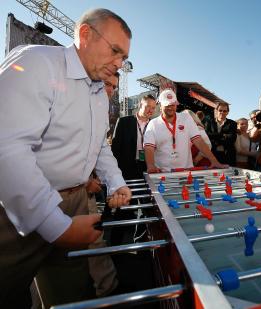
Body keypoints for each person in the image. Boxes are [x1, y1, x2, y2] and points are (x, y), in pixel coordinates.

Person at [0, 8, 132, 308]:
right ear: (85, 35)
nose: (119, 63)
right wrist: (53, 223)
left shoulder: (100, 92)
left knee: (69, 295)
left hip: (75, 204)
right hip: (15, 210)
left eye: (123, 57)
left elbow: (99, 147)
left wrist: (116, 183)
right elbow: (7, 146)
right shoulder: (36, 63)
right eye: (115, 51)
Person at [85, 72, 120, 298]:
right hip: (43, 193)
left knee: (95, 243)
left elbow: (101, 149)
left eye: (114, 87)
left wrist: (116, 183)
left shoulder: (102, 109)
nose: (110, 90)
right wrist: (83, 180)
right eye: (107, 84)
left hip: (81, 191)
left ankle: (109, 292)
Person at [144, 89, 227, 172]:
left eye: (173, 104)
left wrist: (214, 161)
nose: (171, 107)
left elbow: (199, 141)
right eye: (167, 105)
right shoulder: (153, 124)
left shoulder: (186, 118)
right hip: (163, 172)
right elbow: (149, 147)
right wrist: (151, 166)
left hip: (186, 171)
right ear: (160, 105)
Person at [112, 94, 157, 180]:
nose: (151, 110)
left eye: (153, 108)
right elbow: (115, 149)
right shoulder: (123, 122)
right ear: (140, 105)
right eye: (148, 106)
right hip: (126, 169)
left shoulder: (155, 125)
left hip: (147, 168)